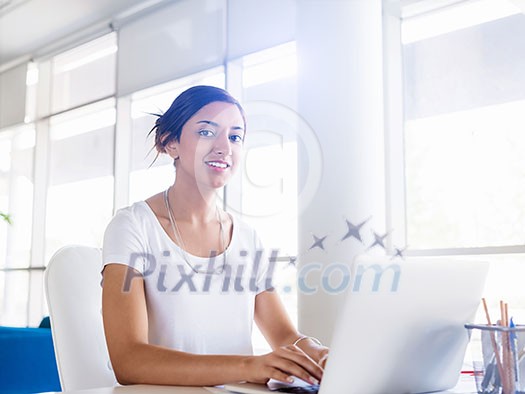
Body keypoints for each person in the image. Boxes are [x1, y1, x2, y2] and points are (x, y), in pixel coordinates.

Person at [101, 85, 328, 387]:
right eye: (207, 132)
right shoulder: (132, 226)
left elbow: (285, 337)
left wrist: (317, 353)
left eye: (235, 136)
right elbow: (129, 360)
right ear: (169, 143)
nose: (224, 147)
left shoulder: (247, 238)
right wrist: (250, 366)